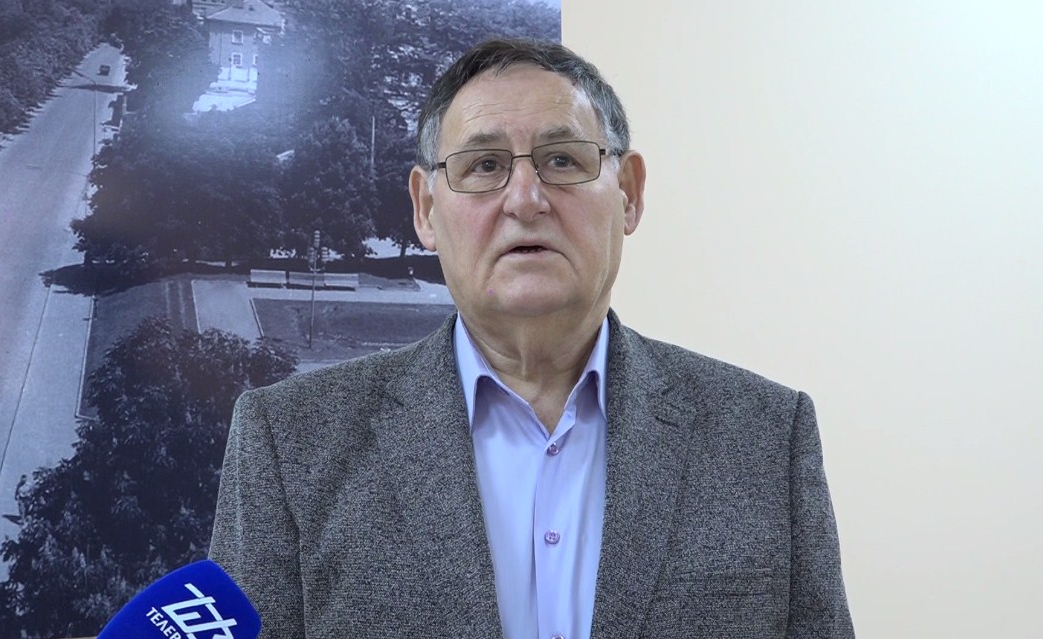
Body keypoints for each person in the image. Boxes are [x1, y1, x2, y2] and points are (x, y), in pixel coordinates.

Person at [209, 38, 855, 638]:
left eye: (562, 160)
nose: (525, 199)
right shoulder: (290, 439)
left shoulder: (765, 434)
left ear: (629, 194)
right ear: (426, 209)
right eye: (484, 165)